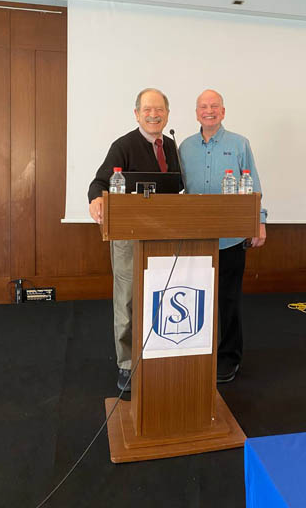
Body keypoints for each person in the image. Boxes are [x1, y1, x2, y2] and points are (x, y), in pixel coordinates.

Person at [88, 88, 180, 392]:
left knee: (162, 296)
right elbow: (99, 182)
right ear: (137, 114)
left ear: (167, 114)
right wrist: (95, 199)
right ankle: (126, 363)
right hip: (129, 236)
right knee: (127, 299)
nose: (154, 115)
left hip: (164, 235)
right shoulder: (123, 145)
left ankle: (158, 354)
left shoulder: (172, 146)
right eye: (147, 110)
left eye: (159, 110)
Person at [179, 89, 267, 383]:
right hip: (195, 238)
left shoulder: (239, 143)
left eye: (214, 106)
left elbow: (253, 185)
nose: (209, 111)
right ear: (196, 113)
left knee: (228, 301)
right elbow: (177, 190)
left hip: (230, 238)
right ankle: (196, 350)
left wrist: (259, 221)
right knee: (195, 298)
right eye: (203, 106)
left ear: (223, 111)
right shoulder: (184, 147)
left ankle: (229, 357)